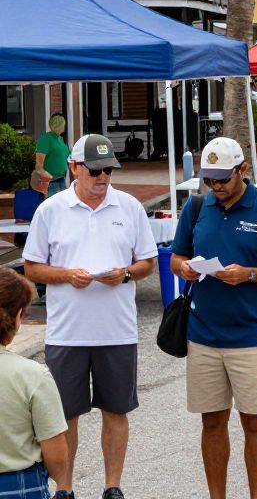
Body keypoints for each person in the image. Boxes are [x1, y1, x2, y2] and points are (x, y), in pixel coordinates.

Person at [23, 135, 158, 499]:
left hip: (117, 331)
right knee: (65, 416)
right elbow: (33, 267)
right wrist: (66, 275)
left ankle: (112, 486)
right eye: (95, 170)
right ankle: (64, 489)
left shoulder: (129, 207)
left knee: (116, 411)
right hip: (67, 334)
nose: (103, 177)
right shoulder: (50, 210)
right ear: (74, 168)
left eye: (109, 169)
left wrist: (126, 274)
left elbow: (147, 261)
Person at [170, 138, 257, 499]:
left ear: (242, 170)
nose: (216, 187)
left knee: (255, 423)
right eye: (210, 180)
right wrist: (185, 268)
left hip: (252, 337)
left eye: (223, 180)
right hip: (203, 336)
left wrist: (250, 275)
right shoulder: (197, 207)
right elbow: (176, 257)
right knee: (211, 422)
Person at [0, 268, 71, 499]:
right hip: (19, 484)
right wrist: (61, 483)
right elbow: (57, 456)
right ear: (19, 316)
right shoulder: (33, 376)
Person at [35, 114, 70, 197]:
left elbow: (66, 157)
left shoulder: (60, 139)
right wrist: (46, 178)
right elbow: (39, 164)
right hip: (51, 182)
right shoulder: (46, 138)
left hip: (61, 180)